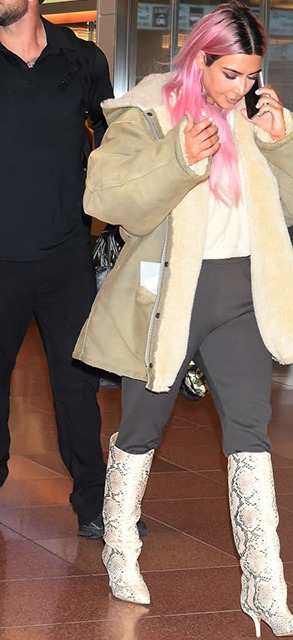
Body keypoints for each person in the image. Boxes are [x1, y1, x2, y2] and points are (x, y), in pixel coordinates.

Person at [74, 1, 293, 635]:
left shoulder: (254, 119)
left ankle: (266, 591)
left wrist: (284, 138)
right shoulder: (147, 112)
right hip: (167, 296)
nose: (241, 88)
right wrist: (178, 157)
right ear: (199, 61)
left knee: (252, 434)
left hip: (241, 296)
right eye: (230, 75)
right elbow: (105, 198)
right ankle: (120, 551)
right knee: (142, 427)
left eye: (251, 75)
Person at [0, 0, 149, 540]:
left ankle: (95, 501)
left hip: (66, 254)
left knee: (78, 385)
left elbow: (114, 142)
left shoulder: (82, 58)